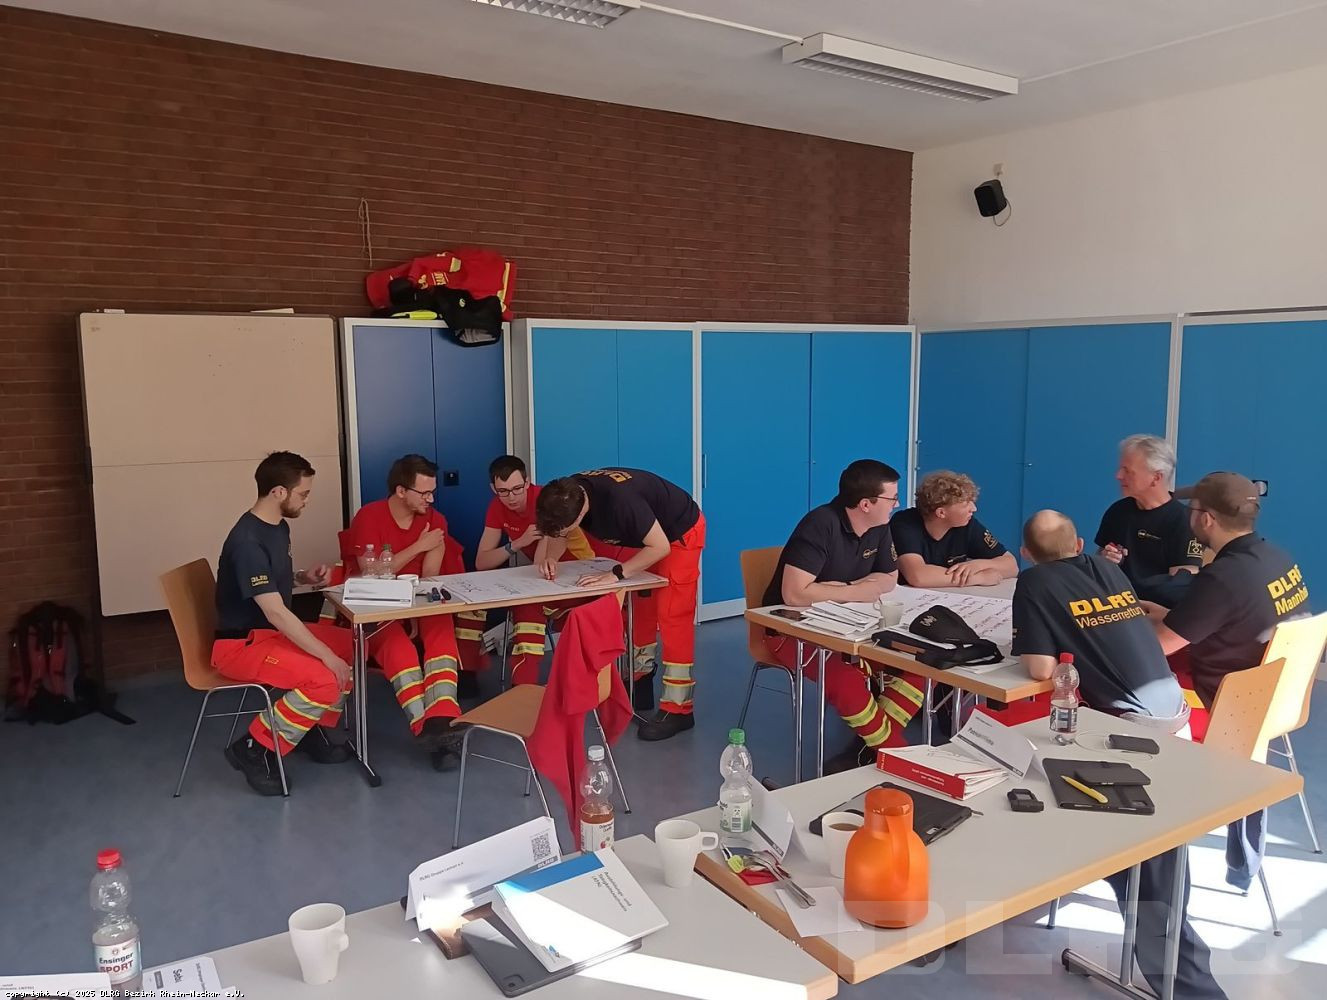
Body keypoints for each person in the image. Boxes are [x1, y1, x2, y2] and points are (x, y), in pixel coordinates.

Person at [1013, 510, 1225, 1000]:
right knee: (1153, 860)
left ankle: (1189, 987)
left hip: (1130, 736)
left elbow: (1040, 668)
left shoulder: (1035, 582)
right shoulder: (1106, 569)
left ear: (1026, 554)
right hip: (1175, 718)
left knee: (1140, 870)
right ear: (1079, 545)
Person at [1146, 471, 1311, 892]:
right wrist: (1167, 615)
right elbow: (1231, 617)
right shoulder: (1278, 558)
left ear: (1206, 519)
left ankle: (1142, 853)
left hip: (1221, 707)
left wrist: (1115, 624)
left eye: (1191, 510)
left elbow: (1161, 645)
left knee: (1122, 690)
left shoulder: (1223, 576)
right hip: (1274, 699)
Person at [763, 460, 923, 771]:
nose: (898, 504)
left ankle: (869, 745)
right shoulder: (820, 524)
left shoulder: (880, 526)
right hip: (790, 630)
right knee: (846, 678)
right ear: (866, 504)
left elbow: (889, 578)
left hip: (854, 626)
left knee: (920, 663)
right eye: (892, 498)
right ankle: (900, 757)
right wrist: (859, 589)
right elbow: (794, 595)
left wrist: (840, 588)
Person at [212, 451, 354, 796]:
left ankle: (309, 728)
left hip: (269, 633)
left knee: (352, 646)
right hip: (242, 644)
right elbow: (275, 612)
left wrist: (304, 577)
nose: (307, 500)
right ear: (278, 492)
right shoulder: (248, 542)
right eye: (303, 493)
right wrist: (325, 656)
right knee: (325, 676)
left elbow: (269, 584)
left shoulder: (277, 527)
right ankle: (254, 747)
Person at [534, 468, 705, 742]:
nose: (562, 534)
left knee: (673, 615)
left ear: (580, 514)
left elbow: (660, 547)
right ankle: (640, 682)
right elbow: (558, 535)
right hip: (647, 535)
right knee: (640, 609)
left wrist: (616, 574)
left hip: (678, 533)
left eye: (566, 529)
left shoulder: (622, 502)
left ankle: (679, 709)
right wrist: (551, 558)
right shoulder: (565, 493)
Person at [345, 454, 472, 760]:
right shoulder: (369, 516)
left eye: (433, 492)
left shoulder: (435, 521)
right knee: (398, 649)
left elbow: (429, 577)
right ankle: (426, 729)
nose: (431, 499)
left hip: (416, 600)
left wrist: (415, 612)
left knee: (440, 629)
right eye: (424, 493)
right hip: (374, 604)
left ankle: (443, 718)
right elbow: (372, 572)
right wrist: (418, 546)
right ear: (401, 491)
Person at [454, 455, 595, 687]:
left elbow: (541, 561)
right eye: (503, 491)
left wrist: (541, 536)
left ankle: (522, 686)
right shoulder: (497, 506)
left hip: (576, 576)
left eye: (517, 489)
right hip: (541, 578)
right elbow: (482, 562)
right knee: (473, 602)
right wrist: (517, 543)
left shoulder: (547, 501)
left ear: (527, 483)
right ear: (493, 489)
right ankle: (467, 675)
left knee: (527, 607)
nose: (511, 497)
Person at [1095, 434, 1203, 606]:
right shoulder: (1117, 511)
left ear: (1156, 477)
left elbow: (1181, 585)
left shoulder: (1184, 521)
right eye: (1120, 468)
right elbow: (1099, 560)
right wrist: (1106, 559)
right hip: (1115, 606)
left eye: (1128, 471)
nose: (1119, 475)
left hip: (1155, 611)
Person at [890, 470, 1017, 588]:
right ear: (941, 513)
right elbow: (918, 576)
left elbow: (1012, 566)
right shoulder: (904, 523)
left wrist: (978, 565)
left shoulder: (967, 524)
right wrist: (979, 578)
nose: (974, 508)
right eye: (966, 504)